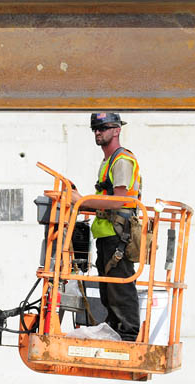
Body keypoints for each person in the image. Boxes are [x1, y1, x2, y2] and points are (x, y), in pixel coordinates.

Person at [71, 112, 141, 341]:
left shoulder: (122, 160)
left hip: (118, 234)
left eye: (104, 128)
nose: (98, 132)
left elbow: (120, 199)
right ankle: (112, 329)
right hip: (106, 233)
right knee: (107, 287)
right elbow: (107, 198)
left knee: (120, 286)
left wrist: (81, 200)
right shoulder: (108, 161)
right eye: (95, 129)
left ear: (117, 130)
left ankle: (128, 334)